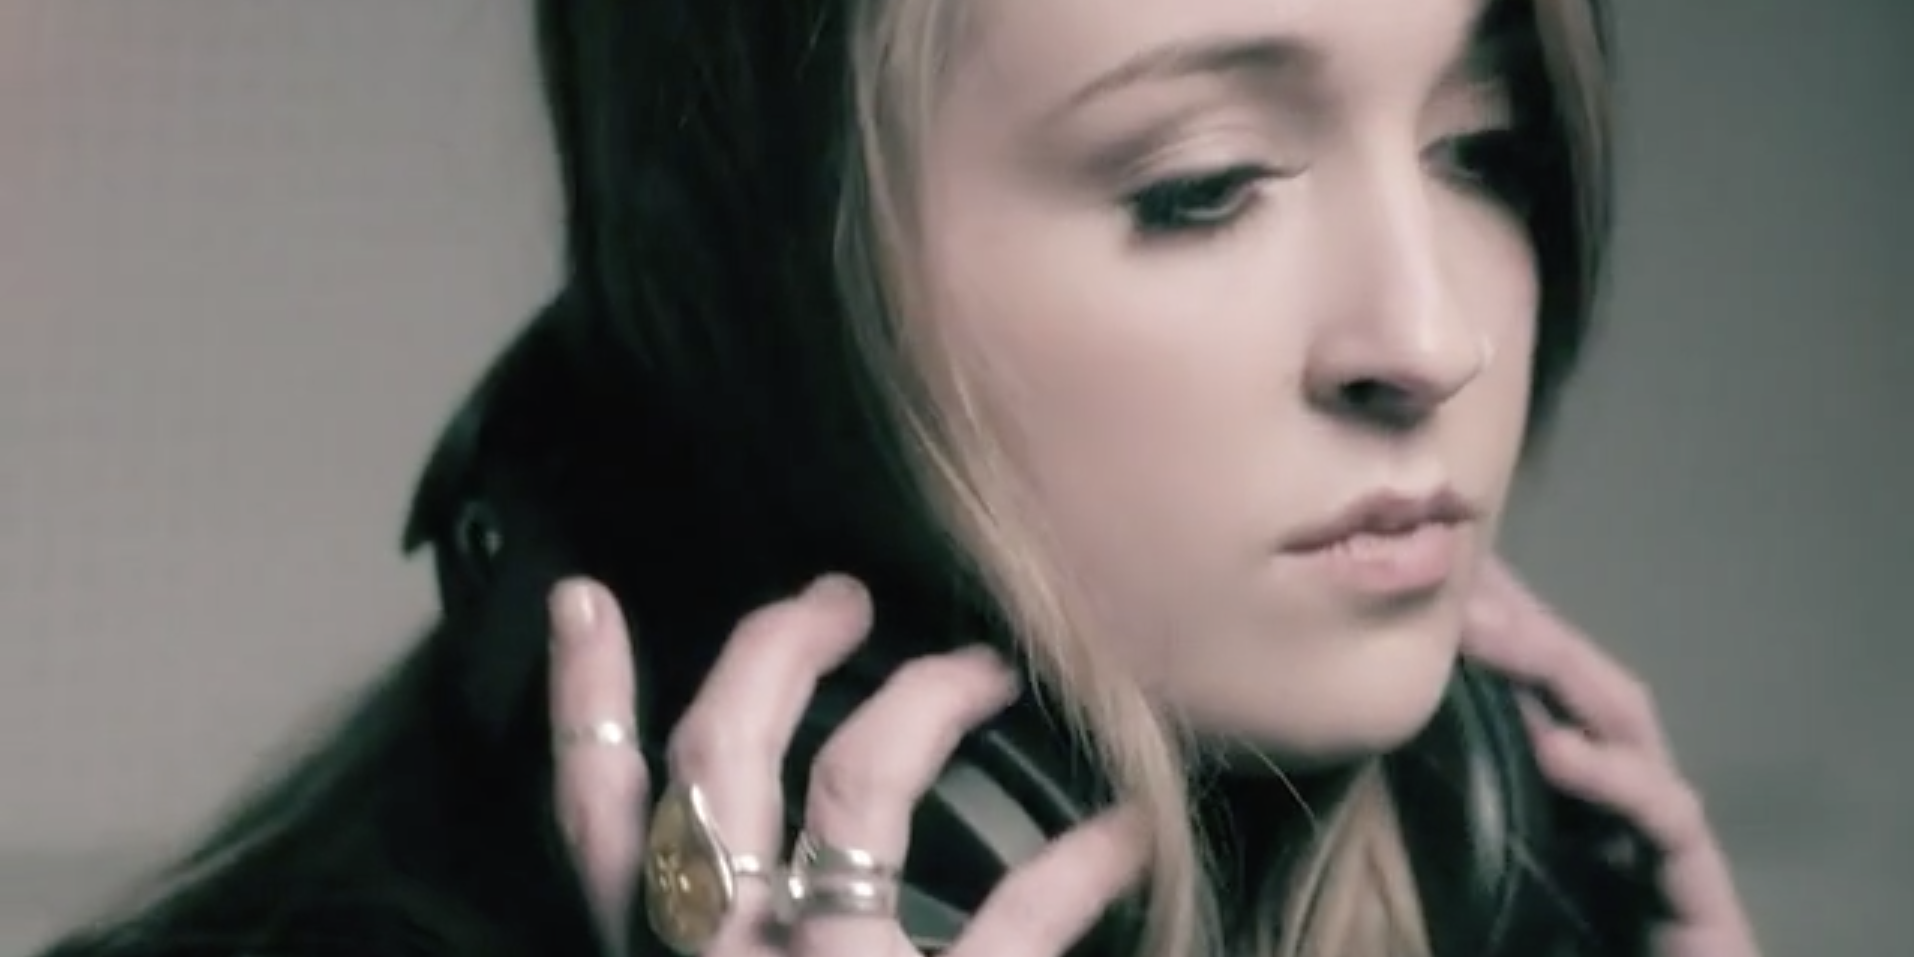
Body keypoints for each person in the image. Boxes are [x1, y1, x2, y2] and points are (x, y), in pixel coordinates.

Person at [35, 0, 1764, 955]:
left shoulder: (1516, 893)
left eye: (1482, 147)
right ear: (781, 300)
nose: (1430, 335)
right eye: (1202, 181)